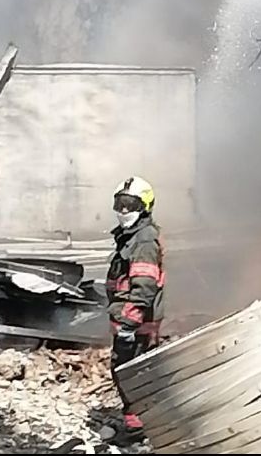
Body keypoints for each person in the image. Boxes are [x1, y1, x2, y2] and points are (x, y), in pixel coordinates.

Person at [106, 176, 165, 442]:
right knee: (128, 370)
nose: (123, 211)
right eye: (120, 204)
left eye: (130, 205)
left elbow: (144, 285)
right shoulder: (130, 237)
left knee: (130, 372)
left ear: (144, 207)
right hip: (128, 320)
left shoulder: (143, 240)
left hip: (137, 322)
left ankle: (139, 427)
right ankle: (138, 423)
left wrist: (130, 323)